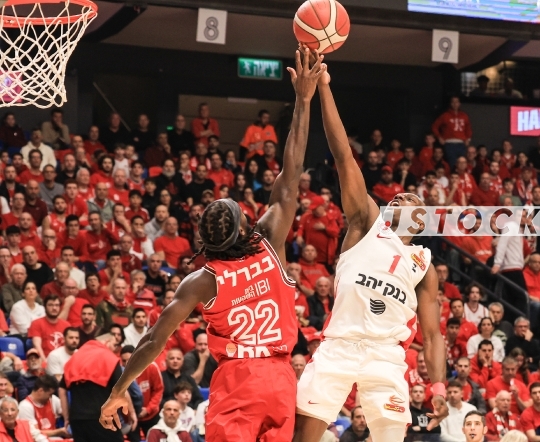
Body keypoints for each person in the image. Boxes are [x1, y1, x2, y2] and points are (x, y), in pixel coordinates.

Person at [100, 49, 326, 442]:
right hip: (280, 378)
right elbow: (292, 169)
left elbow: (153, 340)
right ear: (245, 225)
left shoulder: (201, 281)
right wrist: (304, 100)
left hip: (237, 382)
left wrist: (119, 389)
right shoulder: (269, 240)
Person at [293, 52, 447, 442]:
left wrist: (439, 388)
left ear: (421, 222)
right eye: (398, 196)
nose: (400, 197)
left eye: (410, 199)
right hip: (338, 347)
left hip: (386, 356)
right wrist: (324, 88)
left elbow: (432, 335)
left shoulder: (424, 265)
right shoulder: (366, 221)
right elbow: (343, 154)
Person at [60, 340, 136, 442]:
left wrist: (66, 417)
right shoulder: (108, 358)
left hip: (77, 419)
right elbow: (121, 388)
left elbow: (61, 389)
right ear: (106, 342)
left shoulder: (73, 359)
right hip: (102, 418)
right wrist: (132, 413)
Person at [18, 375, 69, 440]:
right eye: (50, 394)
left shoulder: (53, 399)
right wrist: (59, 431)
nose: (50, 397)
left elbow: (67, 413)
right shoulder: (25, 406)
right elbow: (33, 434)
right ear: (41, 391)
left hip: (55, 438)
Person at [431, 96, 472, 168]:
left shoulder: (464, 115)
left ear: (459, 103)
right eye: (453, 102)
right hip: (449, 144)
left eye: (456, 102)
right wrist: (439, 137)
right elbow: (434, 126)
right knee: (452, 165)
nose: (455, 104)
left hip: (461, 143)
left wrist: (468, 139)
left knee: (462, 164)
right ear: (450, 103)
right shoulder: (445, 115)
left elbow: (468, 128)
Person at [28, 295, 70, 360]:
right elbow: (37, 345)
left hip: (63, 360)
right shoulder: (36, 323)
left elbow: (70, 346)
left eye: (57, 305)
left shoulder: (66, 325)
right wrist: (45, 362)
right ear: (45, 307)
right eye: (50, 305)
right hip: (45, 359)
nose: (54, 308)